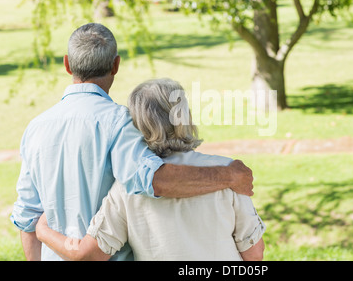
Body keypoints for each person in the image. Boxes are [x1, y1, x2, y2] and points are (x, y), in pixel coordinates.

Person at [11, 23, 254, 261]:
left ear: (67, 64)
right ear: (116, 65)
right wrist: (228, 177)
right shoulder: (119, 121)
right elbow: (155, 180)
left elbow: (27, 218)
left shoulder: (35, 128)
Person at [36, 78, 266, 261]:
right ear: (185, 117)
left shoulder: (126, 189)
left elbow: (88, 255)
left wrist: (43, 229)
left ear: (136, 125)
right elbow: (254, 254)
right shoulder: (231, 175)